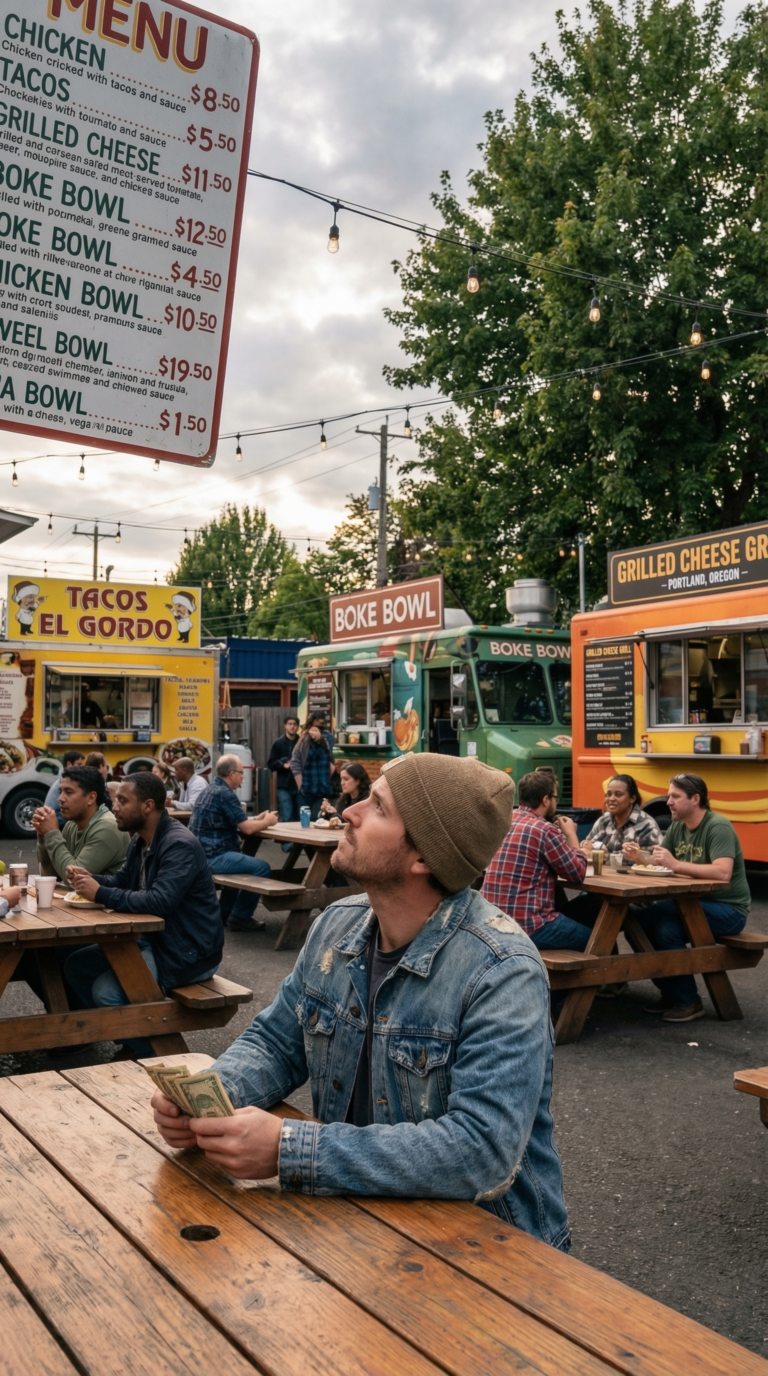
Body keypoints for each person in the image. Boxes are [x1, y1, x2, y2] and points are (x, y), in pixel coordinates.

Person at [151, 753, 571, 1252]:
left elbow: (480, 1151)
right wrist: (212, 1095)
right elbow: (276, 1042)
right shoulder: (338, 924)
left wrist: (289, 1149)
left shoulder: (502, 971)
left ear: (423, 858)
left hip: (490, 1253)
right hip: (361, 1225)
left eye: (378, 807)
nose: (350, 812)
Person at [64, 771, 223, 1057]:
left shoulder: (178, 845)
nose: (114, 807)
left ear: (147, 806)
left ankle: (148, 1050)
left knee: (106, 992)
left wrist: (99, 893)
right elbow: (124, 881)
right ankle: (132, 1040)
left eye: (123, 801)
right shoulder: (141, 840)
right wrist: (93, 879)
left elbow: (160, 901)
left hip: (186, 952)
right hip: (154, 939)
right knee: (76, 966)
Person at [627, 773, 751, 1022]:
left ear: (695, 799)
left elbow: (723, 872)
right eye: (669, 795)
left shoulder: (717, 826)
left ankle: (687, 1001)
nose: (668, 801)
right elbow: (664, 862)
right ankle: (672, 992)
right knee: (636, 922)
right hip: (691, 903)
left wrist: (676, 864)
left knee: (665, 930)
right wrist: (642, 858)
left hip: (728, 909)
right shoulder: (678, 826)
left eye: (675, 796)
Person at [482, 770, 589, 951]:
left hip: (490, 921)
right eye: (556, 797)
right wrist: (572, 835)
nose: (556, 802)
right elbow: (577, 874)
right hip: (528, 927)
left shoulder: (504, 821)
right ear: (546, 800)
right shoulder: (544, 829)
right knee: (596, 939)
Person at [189, 755, 278, 932]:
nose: (243, 777)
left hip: (199, 854)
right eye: (241, 773)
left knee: (240, 863)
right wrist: (267, 821)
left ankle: (224, 912)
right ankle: (241, 917)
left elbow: (237, 820)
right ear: (231, 774)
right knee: (261, 868)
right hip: (213, 856)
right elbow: (247, 829)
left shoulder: (211, 789)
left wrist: (255, 818)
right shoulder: (225, 794)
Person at [32, 766, 129, 882]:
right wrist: (44, 836)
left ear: (91, 798)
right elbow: (51, 876)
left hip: (107, 900)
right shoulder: (72, 825)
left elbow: (73, 880)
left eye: (68, 792)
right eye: (60, 792)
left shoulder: (108, 827)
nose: (60, 799)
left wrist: (52, 833)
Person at [290, 712, 336, 820]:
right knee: (304, 821)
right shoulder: (304, 740)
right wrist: (300, 784)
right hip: (307, 788)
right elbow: (295, 762)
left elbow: (331, 759)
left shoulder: (327, 738)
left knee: (321, 819)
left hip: (323, 788)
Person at [267, 714, 301, 825]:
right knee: (287, 816)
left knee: (300, 817)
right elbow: (270, 763)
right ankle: (286, 843)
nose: (292, 727)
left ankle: (298, 842)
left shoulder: (302, 742)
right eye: (290, 724)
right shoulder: (279, 743)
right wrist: (282, 765)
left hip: (300, 785)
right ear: (285, 726)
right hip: (284, 786)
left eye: (295, 724)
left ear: (298, 726)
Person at [44, 749, 86, 826]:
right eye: (79, 764)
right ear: (69, 764)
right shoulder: (65, 781)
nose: (81, 768)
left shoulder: (64, 778)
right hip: (57, 819)